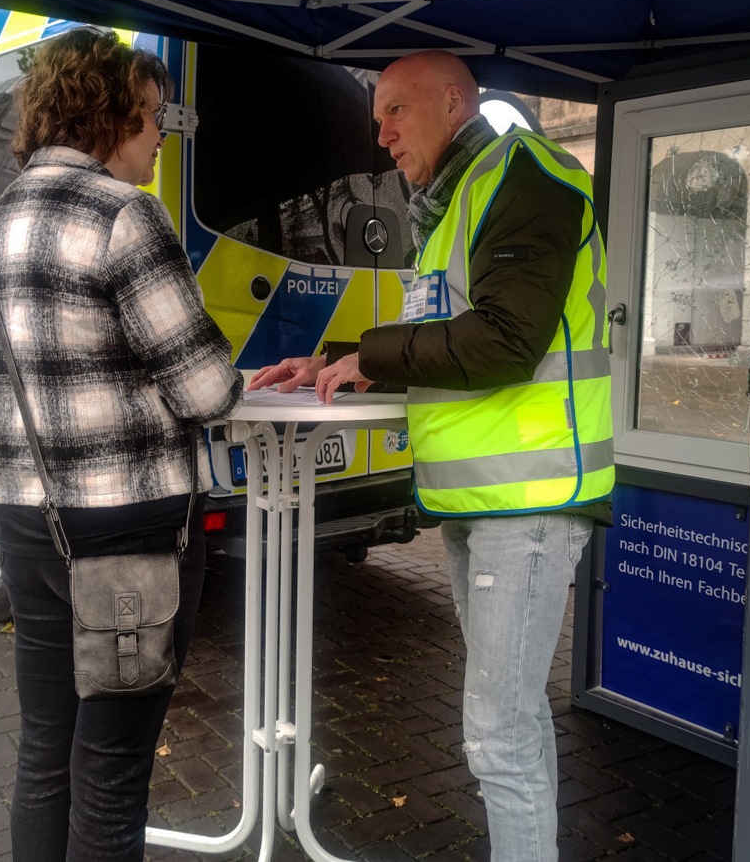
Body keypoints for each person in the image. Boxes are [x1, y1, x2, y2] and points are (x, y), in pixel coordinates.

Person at [249, 50, 613, 861]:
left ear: (454, 102)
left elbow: (506, 339)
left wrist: (372, 356)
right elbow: (444, 331)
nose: (380, 136)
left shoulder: (525, 179)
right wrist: (337, 357)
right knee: (511, 723)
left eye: (393, 112)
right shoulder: (457, 197)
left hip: (530, 498)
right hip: (479, 500)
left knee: (496, 734)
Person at [0, 28, 242, 862]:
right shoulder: (125, 217)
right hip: (126, 536)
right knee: (112, 774)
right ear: (106, 111)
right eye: (152, 117)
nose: (160, 134)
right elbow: (206, 390)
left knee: (45, 754)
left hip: (22, 522)